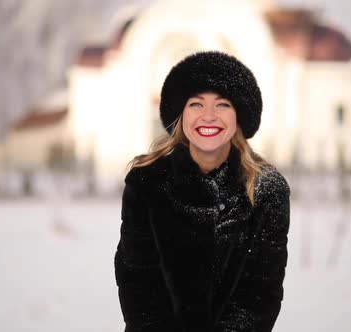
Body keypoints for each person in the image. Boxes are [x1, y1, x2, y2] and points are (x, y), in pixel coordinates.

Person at [114, 51, 290, 332]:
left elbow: (259, 293)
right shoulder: (147, 182)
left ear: (240, 116)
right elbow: (138, 282)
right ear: (181, 114)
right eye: (196, 104)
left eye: (222, 105)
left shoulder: (266, 189)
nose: (208, 116)